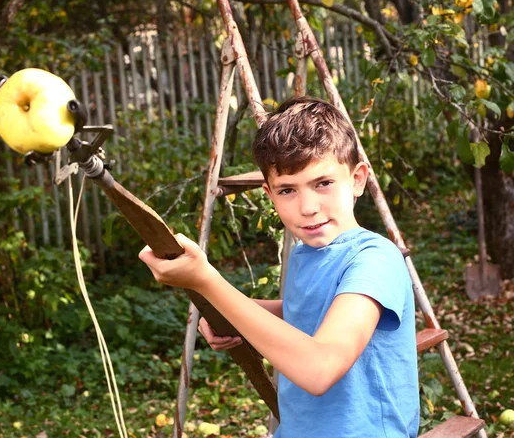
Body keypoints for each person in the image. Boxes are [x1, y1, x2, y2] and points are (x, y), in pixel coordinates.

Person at [139, 96, 420, 438]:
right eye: (287, 190)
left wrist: (208, 281)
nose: (308, 207)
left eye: (323, 183)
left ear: (358, 179)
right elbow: (302, 311)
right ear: (270, 195)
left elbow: (320, 368)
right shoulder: (308, 252)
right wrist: (228, 313)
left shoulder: (375, 259)